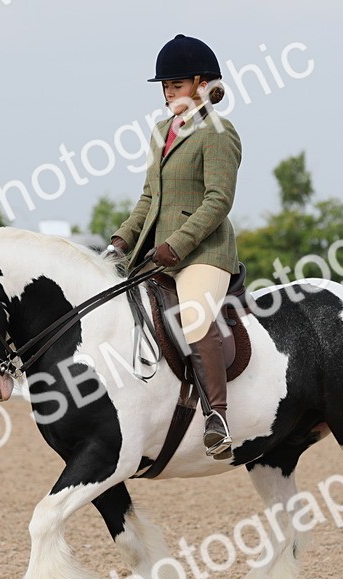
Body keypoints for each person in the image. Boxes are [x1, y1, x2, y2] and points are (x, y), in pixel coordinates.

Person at [110, 34, 242, 459]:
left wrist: (177, 244)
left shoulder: (219, 133)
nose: (169, 93)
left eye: (178, 84)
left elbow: (218, 199)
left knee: (194, 316)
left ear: (202, 84)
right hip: (157, 251)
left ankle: (216, 415)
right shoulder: (162, 131)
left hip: (203, 253)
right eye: (166, 86)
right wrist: (122, 239)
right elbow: (149, 198)